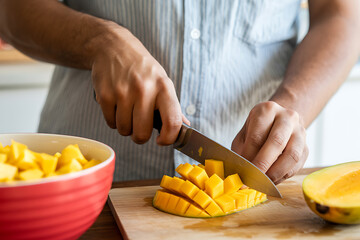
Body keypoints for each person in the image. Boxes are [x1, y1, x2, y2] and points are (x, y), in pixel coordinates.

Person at [0, 0, 359, 184]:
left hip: (249, 187)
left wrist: (292, 102)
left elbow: (341, 14)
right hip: (88, 186)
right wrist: (100, 40)